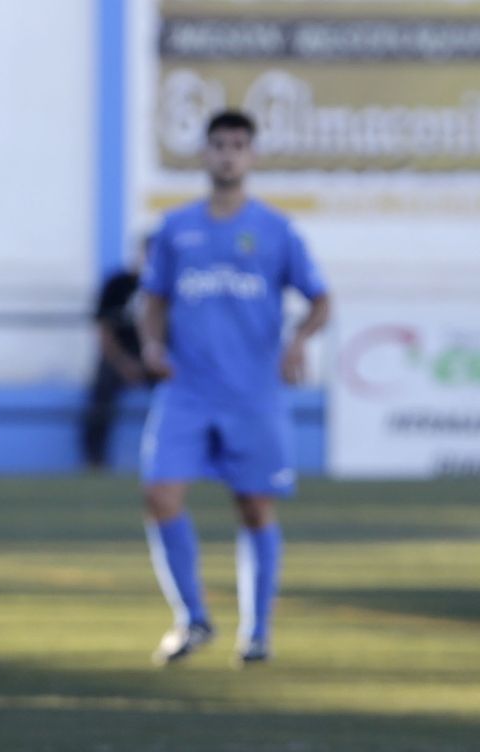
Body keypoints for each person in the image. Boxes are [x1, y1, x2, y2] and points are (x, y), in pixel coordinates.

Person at [139, 109, 331, 667]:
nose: (228, 154)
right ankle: (192, 618)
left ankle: (257, 630)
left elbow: (321, 299)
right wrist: (152, 345)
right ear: (204, 154)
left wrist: (299, 342)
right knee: (159, 494)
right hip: (187, 390)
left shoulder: (276, 231)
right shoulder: (176, 229)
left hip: (253, 394)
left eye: (238, 145)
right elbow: (154, 299)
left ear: (252, 156)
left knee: (253, 508)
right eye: (219, 144)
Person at [81, 234, 154, 470]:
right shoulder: (118, 283)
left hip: (154, 358)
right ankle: (95, 460)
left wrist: (153, 358)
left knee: (182, 392)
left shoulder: (166, 289)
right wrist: (123, 363)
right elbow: (104, 331)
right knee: (100, 396)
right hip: (118, 357)